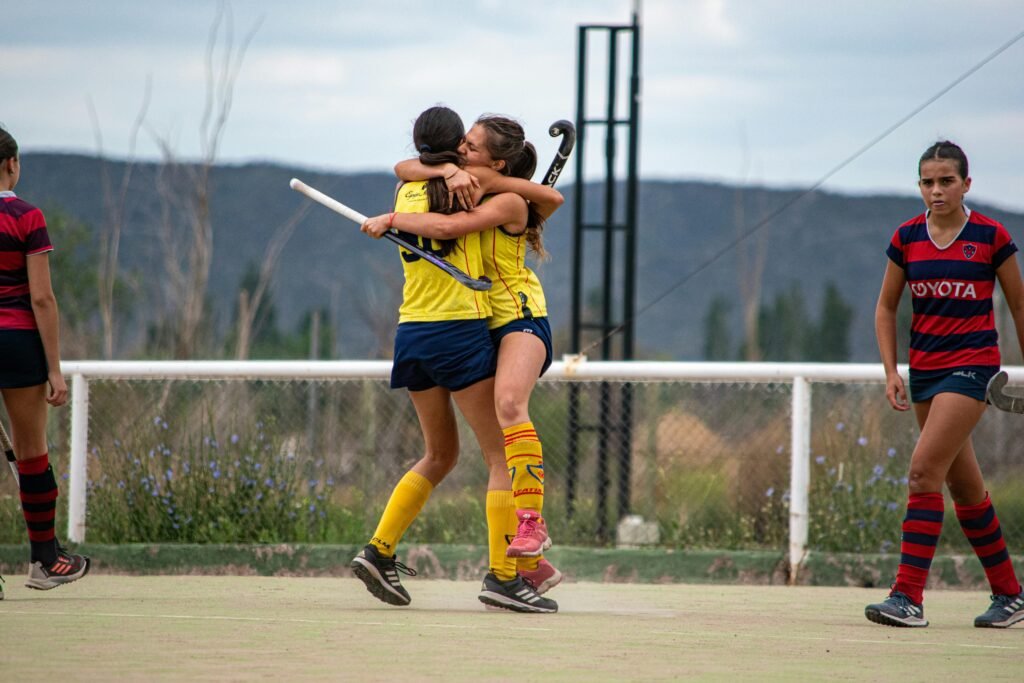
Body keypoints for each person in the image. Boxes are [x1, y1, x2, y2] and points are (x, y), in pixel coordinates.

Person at [349, 106, 557, 613]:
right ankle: (505, 577)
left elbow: (541, 200)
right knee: (496, 456)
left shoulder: (440, 190)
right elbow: (433, 201)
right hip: (461, 329)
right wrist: (450, 170)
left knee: (442, 454)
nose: (463, 152)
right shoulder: (456, 182)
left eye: (472, 147)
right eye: (460, 144)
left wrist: (398, 214)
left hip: (416, 331)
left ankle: (379, 550)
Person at [866, 140, 1024, 628]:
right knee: (964, 487)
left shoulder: (991, 235)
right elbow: (887, 307)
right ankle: (1011, 595)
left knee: (921, 473)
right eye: (928, 182)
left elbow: (1019, 306)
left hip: (973, 367)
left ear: (966, 184)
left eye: (946, 181)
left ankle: (908, 597)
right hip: (925, 372)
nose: (936, 191)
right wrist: (892, 370)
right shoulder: (907, 236)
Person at [0, 125, 90, 595]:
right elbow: (42, 299)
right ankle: (44, 560)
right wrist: (54, 368)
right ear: (12, 164)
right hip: (16, 344)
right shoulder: (27, 216)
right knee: (32, 453)